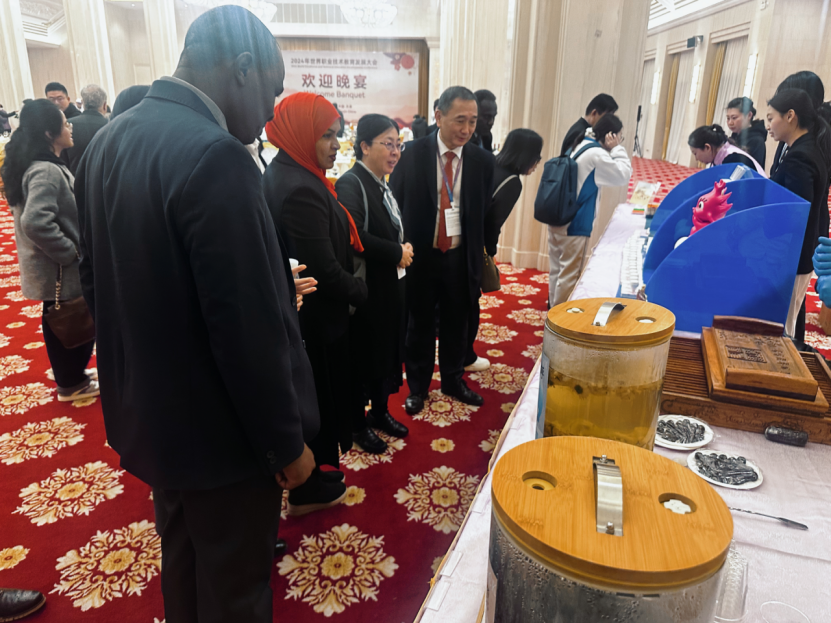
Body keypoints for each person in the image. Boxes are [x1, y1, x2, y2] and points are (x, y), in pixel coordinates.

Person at [75, 7, 319, 622]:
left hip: (154, 419)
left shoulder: (107, 141)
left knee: (184, 566)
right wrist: (285, 444)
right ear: (242, 68)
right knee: (236, 592)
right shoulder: (218, 155)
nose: (270, 112)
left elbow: (95, 279)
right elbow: (245, 330)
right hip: (223, 436)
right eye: (271, 90)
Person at [263, 92, 367, 514]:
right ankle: (306, 488)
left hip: (310, 318)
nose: (335, 145)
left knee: (316, 399)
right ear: (301, 133)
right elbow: (321, 269)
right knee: (317, 400)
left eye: (337, 135)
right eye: (326, 135)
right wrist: (363, 291)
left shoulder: (292, 172)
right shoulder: (300, 189)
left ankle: (314, 475)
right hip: (317, 322)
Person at [390, 85, 495, 415]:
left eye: (473, 121)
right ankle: (418, 388)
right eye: (459, 120)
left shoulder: (481, 161)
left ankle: (452, 380)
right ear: (439, 116)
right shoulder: (412, 153)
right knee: (419, 324)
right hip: (421, 255)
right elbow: (395, 200)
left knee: (457, 323)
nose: (467, 129)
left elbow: (484, 212)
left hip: (460, 257)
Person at [0, 99, 99, 402]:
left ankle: (70, 374)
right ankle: (71, 382)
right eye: (64, 123)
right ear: (48, 133)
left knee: (60, 317)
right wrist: (70, 252)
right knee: (71, 319)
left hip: (49, 266)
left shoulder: (37, 165)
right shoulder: (45, 170)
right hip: (58, 266)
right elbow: (35, 221)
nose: (70, 127)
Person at [335, 114, 411, 454]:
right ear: (364, 146)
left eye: (398, 145)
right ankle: (357, 424)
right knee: (363, 357)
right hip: (368, 291)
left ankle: (379, 411)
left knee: (386, 351)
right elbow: (353, 236)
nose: (395, 152)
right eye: (387, 144)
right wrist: (396, 251)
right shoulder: (351, 183)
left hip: (389, 286)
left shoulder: (381, 182)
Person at [464, 128, 543, 370]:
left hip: (459, 239)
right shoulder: (512, 183)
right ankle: (466, 357)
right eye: (537, 156)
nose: (537, 163)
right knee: (470, 304)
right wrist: (489, 253)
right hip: (474, 248)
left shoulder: (488, 165)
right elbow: (493, 223)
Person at [548, 114, 632, 308]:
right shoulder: (596, 154)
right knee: (569, 277)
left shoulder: (580, 143)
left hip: (557, 217)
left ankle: (552, 312)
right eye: (619, 137)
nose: (619, 141)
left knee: (556, 272)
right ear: (611, 135)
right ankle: (560, 320)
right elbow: (623, 174)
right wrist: (617, 149)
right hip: (575, 224)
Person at [767, 88, 831, 339]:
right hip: (800, 251)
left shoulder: (800, 157)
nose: (769, 126)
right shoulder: (810, 148)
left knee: (784, 327)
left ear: (790, 116)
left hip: (793, 254)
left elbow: (795, 215)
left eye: (771, 118)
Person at [63, 84, 108, 175]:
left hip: (75, 180)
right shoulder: (111, 125)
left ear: (83, 103)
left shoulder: (67, 126)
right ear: (104, 105)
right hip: (104, 180)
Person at [687, 124, 766, 176]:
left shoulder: (733, 158)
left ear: (707, 147)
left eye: (695, 153)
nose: (696, 158)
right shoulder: (721, 156)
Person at [725, 96, 767, 168]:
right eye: (728, 118)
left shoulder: (756, 141)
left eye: (734, 118)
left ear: (749, 115)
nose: (730, 122)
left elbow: (752, 169)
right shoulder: (733, 138)